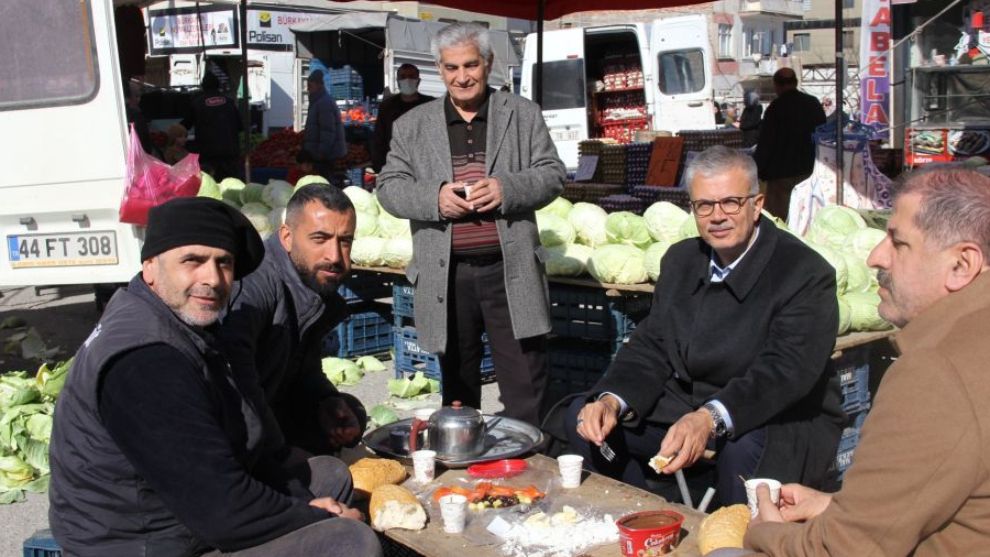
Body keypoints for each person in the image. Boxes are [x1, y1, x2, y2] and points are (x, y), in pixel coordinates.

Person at [49, 197, 381, 556]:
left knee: (330, 476)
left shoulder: (170, 316)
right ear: (150, 266)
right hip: (140, 542)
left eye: (223, 263)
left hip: (180, 514)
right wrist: (311, 517)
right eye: (192, 261)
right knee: (351, 541)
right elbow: (220, 508)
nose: (212, 278)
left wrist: (303, 502)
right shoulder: (147, 361)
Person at [566, 146, 843, 506]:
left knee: (744, 450)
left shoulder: (803, 273)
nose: (718, 216)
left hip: (775, 413)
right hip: (687, 402)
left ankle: (735, 539)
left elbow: (785, 371)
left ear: (757, 205)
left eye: (731, 202)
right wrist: (611, 399)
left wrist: (710, 417)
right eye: (704, 205)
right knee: (586, 419)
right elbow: (652, 343)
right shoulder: (682, 260)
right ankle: (641, 513)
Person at [746, 167, 990, 556]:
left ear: (961, 265)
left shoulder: (936, 373)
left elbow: (843, 551)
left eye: (898, 242)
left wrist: (763, 533)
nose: (877, 257)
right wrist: (840, 507)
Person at [377, 22, 566, 426]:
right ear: (439, 69)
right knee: (458, 390)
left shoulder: (521, 114)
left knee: (525, 385)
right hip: (447, 275)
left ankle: (531, 469)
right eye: (451, 68)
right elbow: (389, 188)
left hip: (509, 270)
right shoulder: (412, 125)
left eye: (470, 65)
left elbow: (553, 174)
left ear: (488, 63)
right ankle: (467, 469)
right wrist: (434, 198)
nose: (461, 77)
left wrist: (507, 189)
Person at [219, 184, 367, 457]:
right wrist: (280, 465)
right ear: (287, 237)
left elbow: (303, 369)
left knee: (350, 411)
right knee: (333, 477)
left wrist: (326, 400)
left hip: (272, 404)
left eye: (344, 241)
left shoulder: (314, 287)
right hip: (231, 430)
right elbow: (237, 394)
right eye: (319, 239)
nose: (334, 256)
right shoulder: (253, 289)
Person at [754, 67, 826, 220]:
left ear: (776, 85)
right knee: (806, 218)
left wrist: (759, 170)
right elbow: (824, 136)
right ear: (796, 82)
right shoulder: (812, 104)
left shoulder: (775, 108)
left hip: (781, 175)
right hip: (810, 172)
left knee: (780, 219)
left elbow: (766, 142)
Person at [371, 64, 434, 173]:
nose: (407, 80)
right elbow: (379, 139)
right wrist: (380, 167)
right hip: (395, 165)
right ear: (398, 81)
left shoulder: (430, 105)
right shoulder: (387, 107)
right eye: (403, 76)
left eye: (411, 76)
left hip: (424, 166)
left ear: (418, 81)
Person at [182, 72, 242, 180]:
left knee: (210, 182)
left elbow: (185, 126)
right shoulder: (229, 102)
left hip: (207, 154)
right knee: (230, 182)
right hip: (229, 152)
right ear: (218, 85)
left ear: (203, 86)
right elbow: (240, 126)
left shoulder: (197, 103)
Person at [301, 69, 347, 182]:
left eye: (310, 86)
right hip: (320, 156)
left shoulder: (324, 103)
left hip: (325, 157)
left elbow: (328, 131)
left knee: (326, 183)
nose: (308, 89)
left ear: (319, 85)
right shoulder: (318, 102)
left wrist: (321, 153)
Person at [123, 80, 154, 155]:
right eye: (136, 96)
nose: (139, 100)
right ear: (126, 97)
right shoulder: (136, 116)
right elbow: (145, 144)